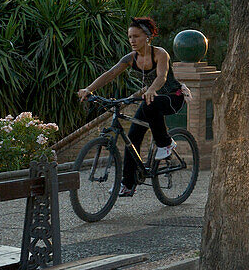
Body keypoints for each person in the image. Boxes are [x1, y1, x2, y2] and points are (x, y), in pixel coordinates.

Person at [77, 17, 186, 196]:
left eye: (136, 36)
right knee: (132, 138)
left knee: (149, 102)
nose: (132, 41)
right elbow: (110, 73)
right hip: (152, 99)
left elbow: (162, 77)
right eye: (129, 37)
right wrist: (89, 89)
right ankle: (128, 184)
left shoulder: (160, 54)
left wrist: (150, 89)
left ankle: (165, 143)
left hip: (172, 98)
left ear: (148, 37)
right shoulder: (131, 58)